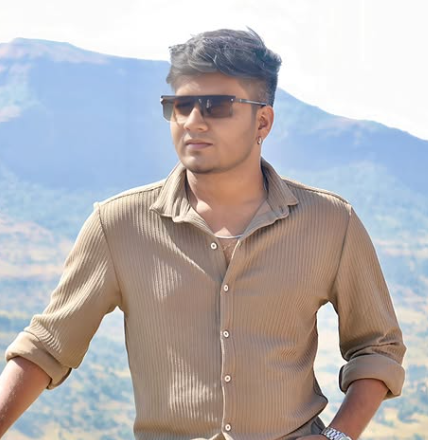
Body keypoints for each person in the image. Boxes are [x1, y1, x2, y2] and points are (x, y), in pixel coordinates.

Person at [0, 28, 405, 440]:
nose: (193, 121)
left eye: (217, 106)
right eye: (181, 105)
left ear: (262, 121)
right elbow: (47, 346)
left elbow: (378, 346)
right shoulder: (118, 224)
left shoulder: (330, 222)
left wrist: (338, 436)